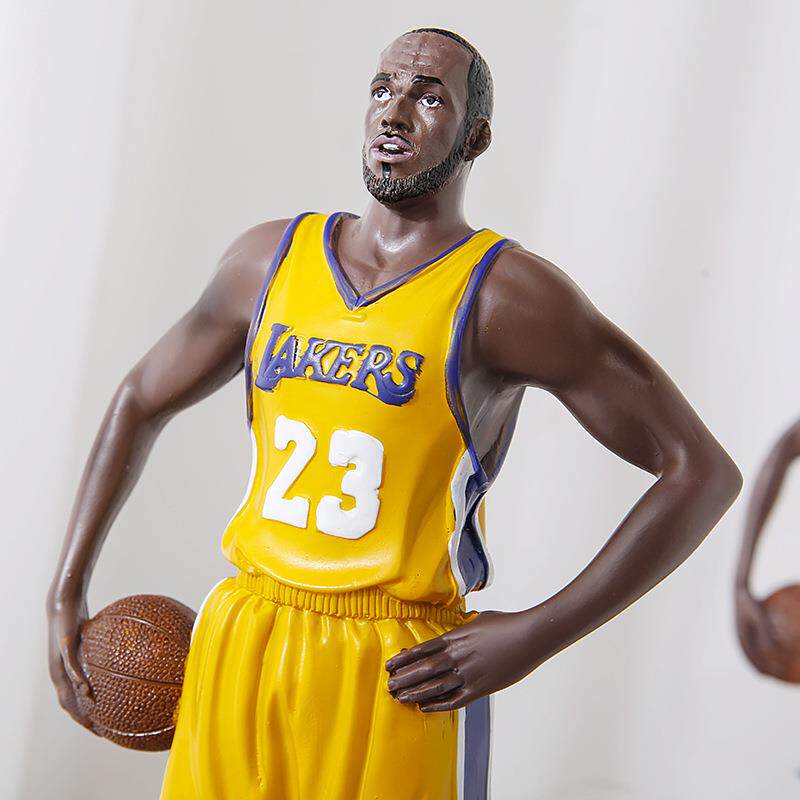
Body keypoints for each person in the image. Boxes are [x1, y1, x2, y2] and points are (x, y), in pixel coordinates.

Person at [47, 27, 742, 800]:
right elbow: (139, 399)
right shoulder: (266, 262)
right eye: (382, 89)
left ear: (476, 137)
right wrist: (65, 588)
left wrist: (538, 632)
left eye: (429, 97)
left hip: (399, 663)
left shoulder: (507, 295)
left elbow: (700, 472)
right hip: (242, 633)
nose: (395, 112)